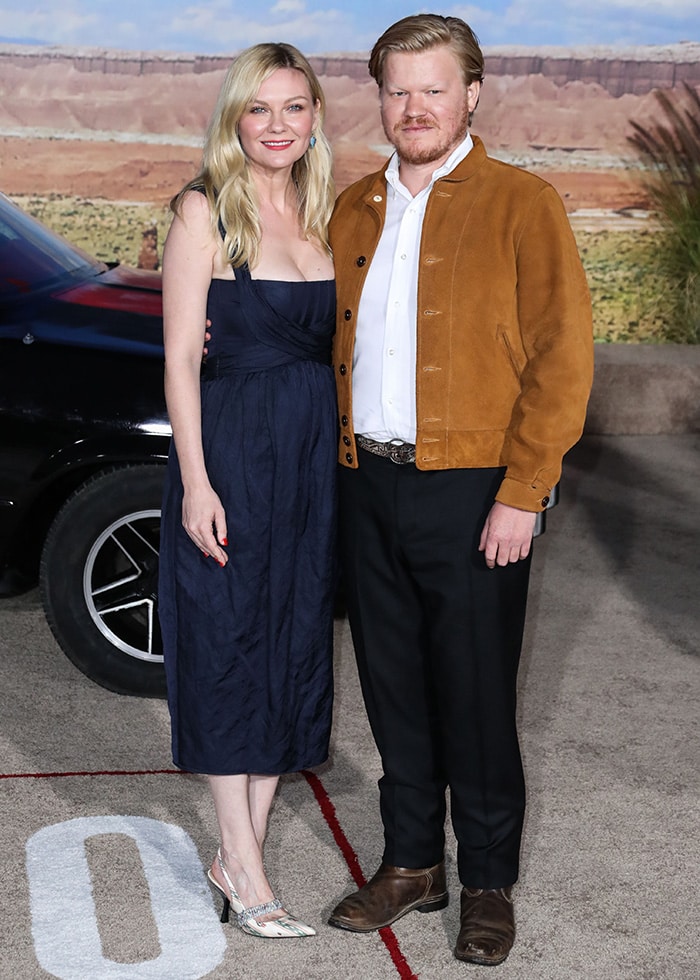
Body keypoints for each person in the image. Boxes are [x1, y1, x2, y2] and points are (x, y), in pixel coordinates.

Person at [327, 14, 594, 966]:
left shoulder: (524, 204)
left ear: (472, 93)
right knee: (392, 687)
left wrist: (525, 492)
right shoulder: (354, 205)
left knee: (477, 695)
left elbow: (564, 360)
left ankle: (486, 881)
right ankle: (411, 865)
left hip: (477, 489)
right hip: (368, 484)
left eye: (433, 88)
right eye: (398, 90)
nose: (415, 108)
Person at [158, 42, 336, 939]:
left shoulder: (320, 207)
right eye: (259, 109)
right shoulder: (204, 209)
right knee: (230, 645)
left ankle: (239, 853)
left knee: (289, 640)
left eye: (294, 107)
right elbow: (182, 359)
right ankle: (251, 869)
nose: (277, 126)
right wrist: (196, 481)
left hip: (306, 461)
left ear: (314, 118)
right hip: (232, 454)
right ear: (235, 117)